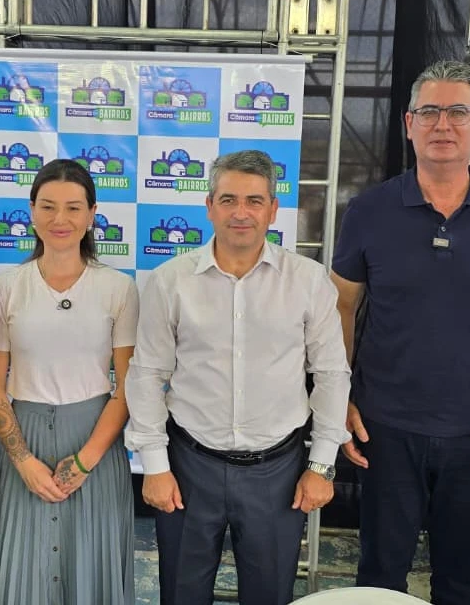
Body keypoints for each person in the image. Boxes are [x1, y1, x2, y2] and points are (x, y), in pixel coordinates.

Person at [331, 60, 470, 604]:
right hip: (384, 429)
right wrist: (338, 396)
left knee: (460, 581)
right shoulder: (368, 210)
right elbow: (337, 308)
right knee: (380, 575)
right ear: (408, 123)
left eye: (458, 111)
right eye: (429, 111)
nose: (443, 124)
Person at [125, 149, 351, 605]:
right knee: (181, 595)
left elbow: (330, 374)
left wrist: (322, 465)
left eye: (253, 201)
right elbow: (147, 374)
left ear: (272, 209)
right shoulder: (171, 282)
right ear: (209, 206)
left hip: (279, 472)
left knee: (269, 595)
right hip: (189, 468)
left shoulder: (308, 280)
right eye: (228, 200)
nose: (240, 213)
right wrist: (155, 465)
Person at [0, 159, 138, 604]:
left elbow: (127, 387)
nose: (60, 219)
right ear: (31, 211)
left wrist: (85, 462)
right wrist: (24, 461)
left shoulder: (118, 289)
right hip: (22, 444)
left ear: (92, 215)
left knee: (91, 566)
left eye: (73, 208)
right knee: (21, 573)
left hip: (96, 444)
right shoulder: (5, 286)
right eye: (48, 207)